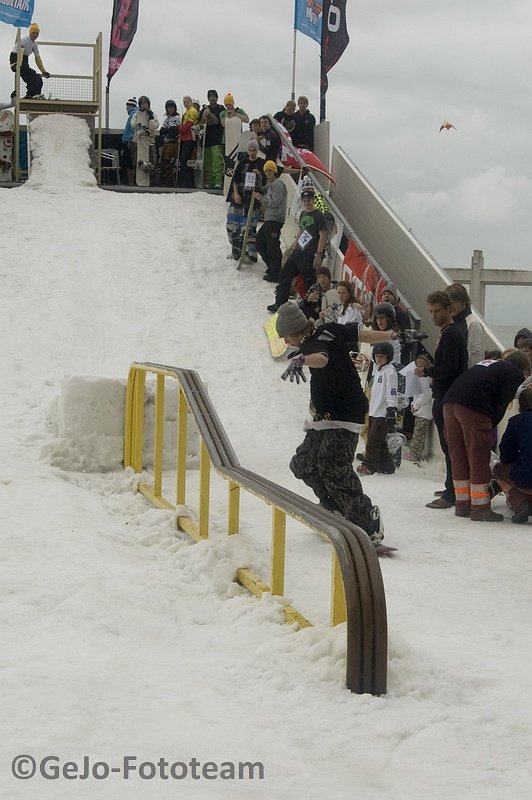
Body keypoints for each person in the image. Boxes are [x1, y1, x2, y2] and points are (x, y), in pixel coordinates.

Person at [274, 302, 384, 547]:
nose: (286, 342)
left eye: (285, 337)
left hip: (343, 415)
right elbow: (363, 334)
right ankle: (333, 508)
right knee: (303, 463)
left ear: (294, 331)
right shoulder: (332, 329)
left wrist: (301, 358)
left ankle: (369, 522)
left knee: (333, 468)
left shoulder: (313, 344)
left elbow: (321, 359)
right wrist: (394, 335)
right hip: (324, 418)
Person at [443, 350, 530, 521]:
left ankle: (462, 505)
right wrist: (489, 426)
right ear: (524, 369)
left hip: (449, 405)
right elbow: (501, 404)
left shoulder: (490, 364)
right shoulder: (514, 373)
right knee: (478, 457)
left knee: (458, 456)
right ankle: (480, 508)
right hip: (473, 407)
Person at [415, 290, 468, 509]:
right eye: (431, 312)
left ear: (449, 309)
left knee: (450, 448)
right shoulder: (450, 332)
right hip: (447, 396)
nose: (434, 316)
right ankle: (452, 487)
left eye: (438, 311)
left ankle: (452, 493)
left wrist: (427, 371)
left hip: (448, 397)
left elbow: (449, 368)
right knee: (450, 448)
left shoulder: (451, 333)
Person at [267, 186, 327, 313]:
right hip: (299, 251)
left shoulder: (319, 215)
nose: (306, 203)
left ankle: (310, 308)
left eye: (308, 200)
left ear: (313, 200)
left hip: (309, 254)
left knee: (308, 282)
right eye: (304, 200)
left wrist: (318, 254)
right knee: (284, 274)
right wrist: (294, 248)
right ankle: (280, 303)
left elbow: (323, 235)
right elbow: (301, 230)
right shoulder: (303, 213)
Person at [357, 342, 399, 476]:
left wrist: (392, 409)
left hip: (383, 413)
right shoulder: (378, 370)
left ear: (389, 357)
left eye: (382, 356)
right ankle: (387, 465)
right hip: (374, 411)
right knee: (379, 441)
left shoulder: (390, 372)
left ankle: (369, 465)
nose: (379, 358)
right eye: (377, 356)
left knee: (373, 440)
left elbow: (392, 391)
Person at [493, 384, 532, 524]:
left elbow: (506, 456)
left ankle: (521, 503)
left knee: (498, 469)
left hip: (526, 477)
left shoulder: (516, 422)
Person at [226, 139, 264, 261]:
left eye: (254, 150)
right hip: (239, 199)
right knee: (232, 226)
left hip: (252, 201)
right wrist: (236, 194)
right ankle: (236, 250)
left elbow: (276, 172)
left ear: (257, 151)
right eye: (250, 150)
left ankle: (251, 253)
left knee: (248, 228)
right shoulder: (242, 163)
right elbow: (235, 181)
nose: (252, 153)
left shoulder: (262, 163)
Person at [253, 160, 287, 282]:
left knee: (272, 246)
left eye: (270, 170)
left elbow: (275, 202)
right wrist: (258, 177)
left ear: (275, 171)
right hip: (269, 218)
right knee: (260, 242)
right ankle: (273, 268)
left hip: (275, 219)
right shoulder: (270, 184)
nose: (268, 173)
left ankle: (276, 272)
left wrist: (261, 198)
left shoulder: (278, 184)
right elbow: (261, 189)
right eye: (266, 171)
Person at [444, 283, 484, 367]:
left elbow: (475, 358)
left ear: (464, 301)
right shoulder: (449, 323)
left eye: (454, 302)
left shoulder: (473, 324)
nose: (451, 306)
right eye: (448, 303)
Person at [403, 354, 433, 464]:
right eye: (418, 365)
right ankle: (414, 452)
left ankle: (415, 453)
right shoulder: (418, 378)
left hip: (424, 411)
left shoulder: (429, 378)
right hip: (418, 410)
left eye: (422, 366)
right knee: (417, 432)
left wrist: (416, 405)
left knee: (419, 433)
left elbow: (427, 394)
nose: (419, 368)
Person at [10, 22, 50, 99]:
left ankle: (36, 94)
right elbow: (20, 54)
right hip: (16, 59)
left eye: (37, 34)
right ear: (30, 33)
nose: (35, 35)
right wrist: (18, 65)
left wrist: (43, 71)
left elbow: (37, 58)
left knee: (38, 78)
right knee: (32, 75)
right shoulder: (24, 40)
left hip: (25, 60)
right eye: (33, 33)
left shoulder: (34, 44)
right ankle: (29, 95)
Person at [130, 96, 159, 181]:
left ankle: (151, 180)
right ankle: (138, 180)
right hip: (137, 141)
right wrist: (140, 117)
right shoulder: (136, 115)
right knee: (136, 162)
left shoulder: (153, 115)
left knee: (153, 162)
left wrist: (150, 117)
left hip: (149, 142)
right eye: (142, 104)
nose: (144, 105)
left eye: (146, 103)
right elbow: (134, 125)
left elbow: (153, 127)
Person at [201, 89, 225, 189]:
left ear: (217, 97)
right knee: (207, 162)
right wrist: (203, 116)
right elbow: (200, 124)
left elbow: (218, 122)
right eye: (210, 96)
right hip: (206, 140)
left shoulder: (220, 109)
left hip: (217, 139)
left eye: (214, 96)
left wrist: (210, 114)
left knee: (217, 161)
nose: (212, 98)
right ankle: (209, 182)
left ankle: (218, 181)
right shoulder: (203, 109)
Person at [178, 95, 199, 189]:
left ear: (191, 102)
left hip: (190, 138)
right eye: (184, 102)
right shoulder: (186, 112)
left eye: (187, 102)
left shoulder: (192, 111)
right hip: (184, 138)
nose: (186, 104)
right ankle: (185, 182)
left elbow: (188, 126)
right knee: (183, 161)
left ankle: (188, 183)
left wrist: (179, 128)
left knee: (185, 160)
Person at [159, 100, 181, 186]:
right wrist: (169, 130)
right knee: (163, 161)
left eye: (172, 107)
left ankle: (170, 180)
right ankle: (164, 179)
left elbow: (175, 130)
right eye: (168, 108)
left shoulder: (177, 118)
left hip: (173, 142)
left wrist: (168, 130)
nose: (170, 109)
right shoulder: (167, 118)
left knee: (169, 161)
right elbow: (162, 131)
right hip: (166, 142)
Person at [121, 96, 138, 186]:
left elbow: (132, 129)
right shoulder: (136, 113)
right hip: (131, 140)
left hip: (130, 141)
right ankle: (133, 182)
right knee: (132, 162)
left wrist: (129, 140)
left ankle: (131, 182)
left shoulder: (133, 114)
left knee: (130, 163)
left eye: (127, 106)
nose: (126, 108)